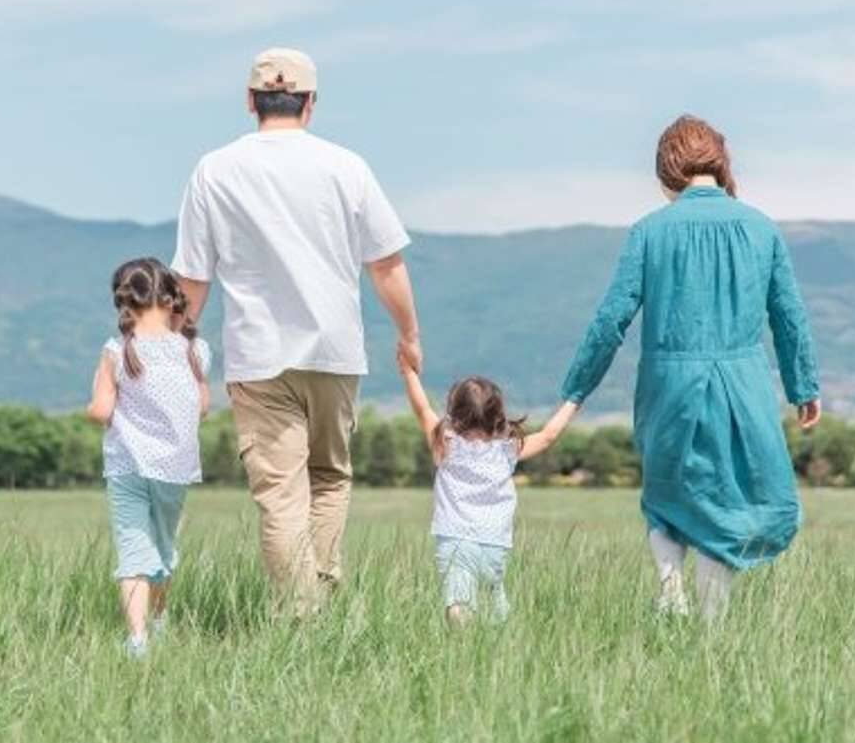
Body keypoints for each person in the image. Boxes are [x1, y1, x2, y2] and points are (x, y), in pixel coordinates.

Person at [170, 47, 421, 616]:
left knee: (280, 496)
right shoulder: (346, 166)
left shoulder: (214, 169)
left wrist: (181, 349)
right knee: (329, 479)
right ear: (310, 103)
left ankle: (300, 614)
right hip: (336, 351)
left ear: (250, 102)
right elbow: (386, 265)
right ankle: (319, 609)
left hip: (258, 357)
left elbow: (191, 278)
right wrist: (409, 334)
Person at [555, 115, 821, 619]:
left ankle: (670, 587)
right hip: (742, 382)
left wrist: (576, 391)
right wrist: (802, 384)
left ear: (667, 171)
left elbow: (611, 319)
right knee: (728, 496)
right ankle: (712, 620)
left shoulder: (648, 232)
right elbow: (789, 315)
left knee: (667, 494)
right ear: (720, 165)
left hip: (667, 382)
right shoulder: (760, 227)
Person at [86, 257, 212, 658]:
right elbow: (203, 406)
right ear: (170, 297)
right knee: (163, 545)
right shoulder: (194, 351)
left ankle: (137, 639)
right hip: (175, 469)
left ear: (124, 302)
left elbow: (102, 410)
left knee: (134, 552)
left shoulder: (117, 351)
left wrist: (94, 403)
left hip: (127, 467)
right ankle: (160, 619)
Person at [400, 360, 576, 624]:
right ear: (497, 414)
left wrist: (409, 372)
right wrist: (575, 398)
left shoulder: (445, 443)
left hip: (455, 539)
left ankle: (461, 624)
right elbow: (549, 435)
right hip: (495, 543)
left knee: (459, 600)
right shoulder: (507, 450)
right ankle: (496, 632)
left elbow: (422, 409)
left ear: (455, 412)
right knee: (492, 594)